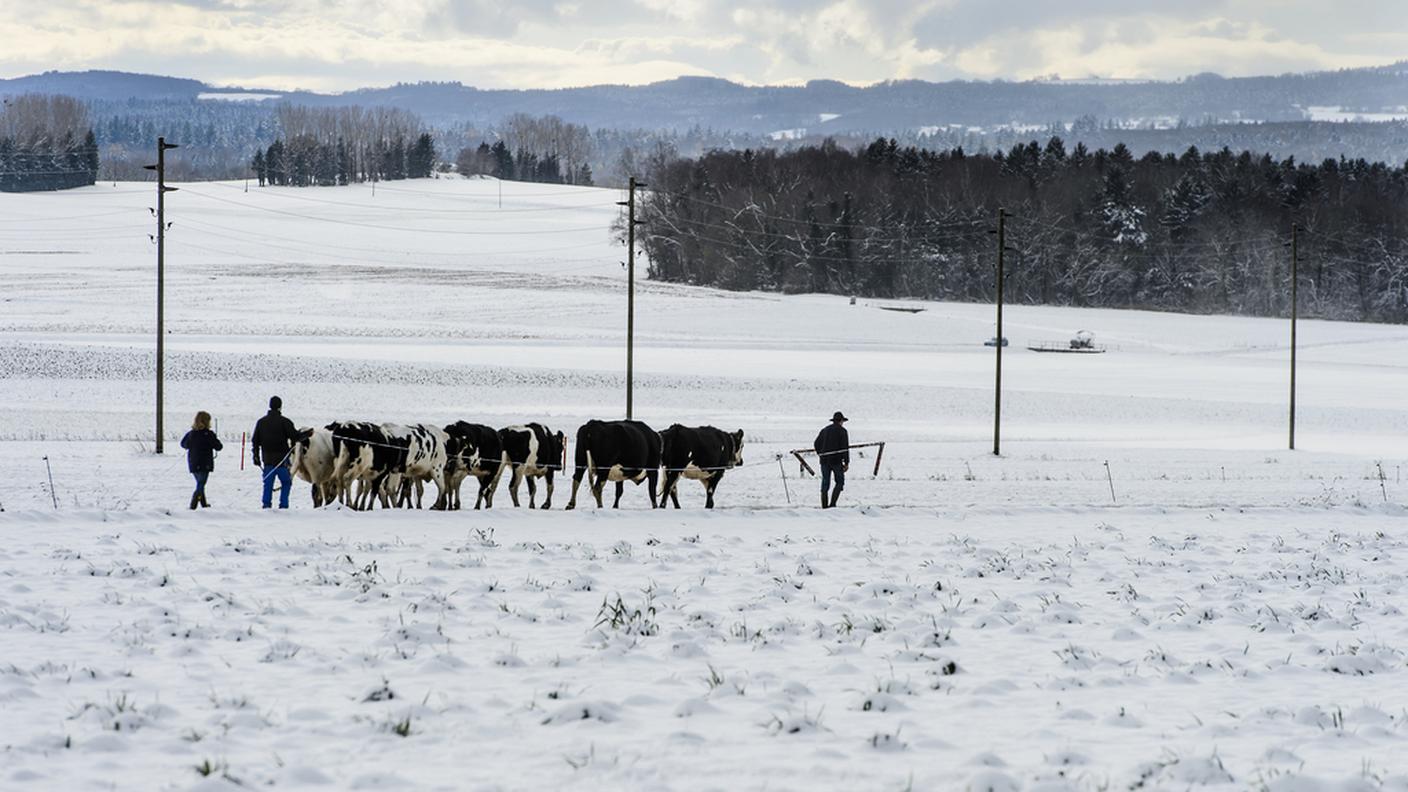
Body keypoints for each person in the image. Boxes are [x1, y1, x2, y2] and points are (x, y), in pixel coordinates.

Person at [252, 395, 299, 509]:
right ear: (280, 407)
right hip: (282, 460)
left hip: (267, 459)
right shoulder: (285, 422)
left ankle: (266, 505)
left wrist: (256, 456)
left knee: (268, 484)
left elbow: (255, 441)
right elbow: (295, 436)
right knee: (286, 482)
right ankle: (283, 505)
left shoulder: (261, 422)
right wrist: (307, 434)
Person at [180, 411, 223, 510]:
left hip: (193, 462)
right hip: (205, 463)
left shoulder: (191, 434)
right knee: (201, 483)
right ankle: (193, 504)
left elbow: (183, 444)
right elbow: (218, 447)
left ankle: (204, 503)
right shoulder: (208, 434)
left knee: (200, 482)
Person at [814, 411, 850, 508]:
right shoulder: (843, 431)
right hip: (836, 461)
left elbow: (816, 443)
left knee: (825, 482)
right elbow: (845, 448)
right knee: (840, 482)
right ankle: (833, 504)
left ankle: (824, 506)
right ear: (841, 421)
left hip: (824, 461)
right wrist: (846, 462)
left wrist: (821, 454)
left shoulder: (824, 430)